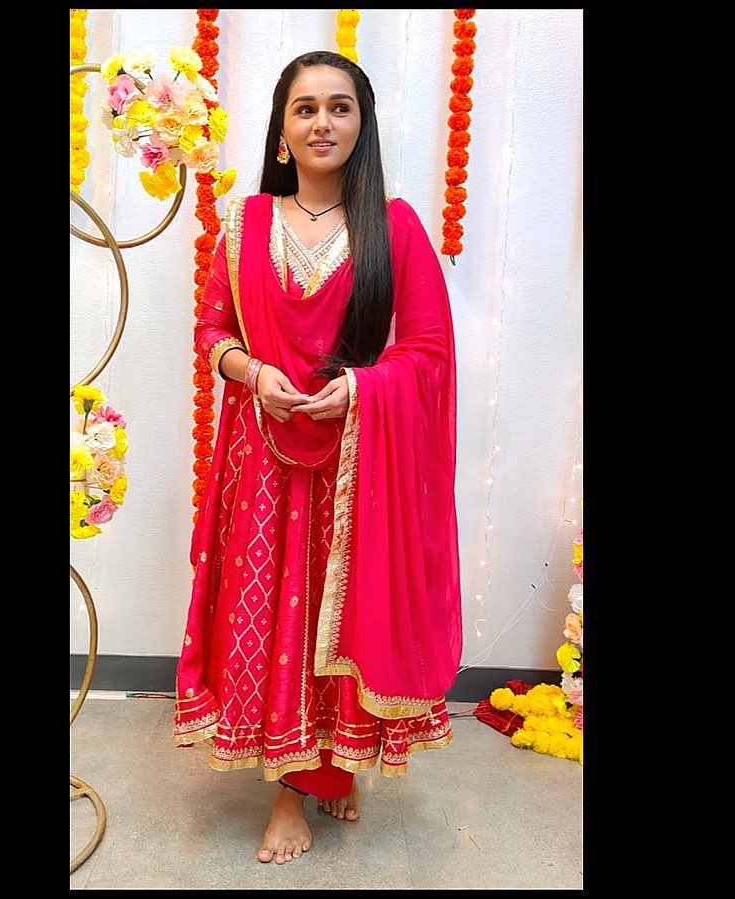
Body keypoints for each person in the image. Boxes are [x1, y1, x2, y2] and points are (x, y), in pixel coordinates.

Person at [173, 49, 462, 865]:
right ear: (282, 129)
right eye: (305, 108)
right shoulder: (243, 224)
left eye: (340, 107)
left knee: (340, 616)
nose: (322, 122)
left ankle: (326, 771)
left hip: (357, 462)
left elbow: (428, 352)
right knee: (275, 619)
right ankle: (294, 783)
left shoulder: (393, 227)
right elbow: (211, 329)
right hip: (261, 459)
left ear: (362, 126)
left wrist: (363, 389)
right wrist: (251, 371)